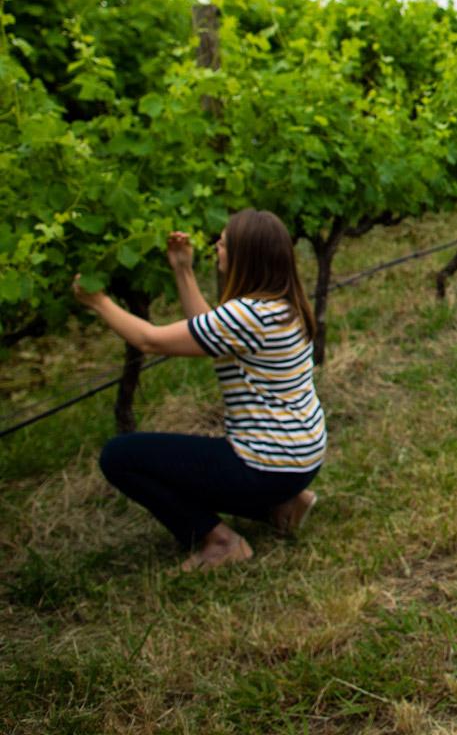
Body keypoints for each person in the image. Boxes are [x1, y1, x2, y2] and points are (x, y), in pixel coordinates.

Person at [73, 209, 325, 571]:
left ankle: (221, 541)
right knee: (189, 461)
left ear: (245, 255)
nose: (217, 249)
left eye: (223, 244)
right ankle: (283, 504)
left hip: (269, 465)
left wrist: (99, 302)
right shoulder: (281, 306)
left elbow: (150, 341)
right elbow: (208, 330)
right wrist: (183, 269)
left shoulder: (248, 315)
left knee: (120, 456)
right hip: (301, 456)